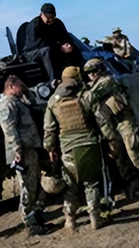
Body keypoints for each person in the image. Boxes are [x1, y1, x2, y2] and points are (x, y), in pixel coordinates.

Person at [82, 58, 139, 199]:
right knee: (120, 156)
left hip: (124, 121)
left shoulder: (107, 81)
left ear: (100, 69)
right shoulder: (94, 85)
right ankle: (133, 183)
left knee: (134, 150)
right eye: (88, 72)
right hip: (112, 125)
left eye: (93, 71)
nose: (91, 74)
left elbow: (90, 98)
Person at [43, 66, 104, 231]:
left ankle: (70, 219)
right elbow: (102, 120)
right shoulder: (87, 96)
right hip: (89, 144)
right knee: (91, 182)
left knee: (70, 184)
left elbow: (49, 129)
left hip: (67, 148)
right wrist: (111, 139)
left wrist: (50, 148)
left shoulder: (53, 102)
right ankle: (95, 218)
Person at [0, 75, 47, 236]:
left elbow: (33, 105)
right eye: (20, 85)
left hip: (30, 148)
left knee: (35, 184)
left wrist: (27, 92)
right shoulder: (6, 104)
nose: (22, 88)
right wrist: (17, 151)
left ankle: (36, 216)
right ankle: (29, 221)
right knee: (27, 186)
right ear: (11, 86)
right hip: (22, 151)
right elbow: (9, 129)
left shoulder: (18, 101)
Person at [22, 3, 84, 81]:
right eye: (48, 18)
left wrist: (68, 45)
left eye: (52, 18)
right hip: (33, 52)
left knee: (75, 48)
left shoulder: (57, 23)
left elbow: (66, 37)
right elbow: (40, 44)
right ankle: (54, 80)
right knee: (47, 51)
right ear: (42, 14)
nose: (50, 20)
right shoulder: (34, 25)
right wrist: (61, 48)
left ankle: (81, 73)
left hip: (55, 48)